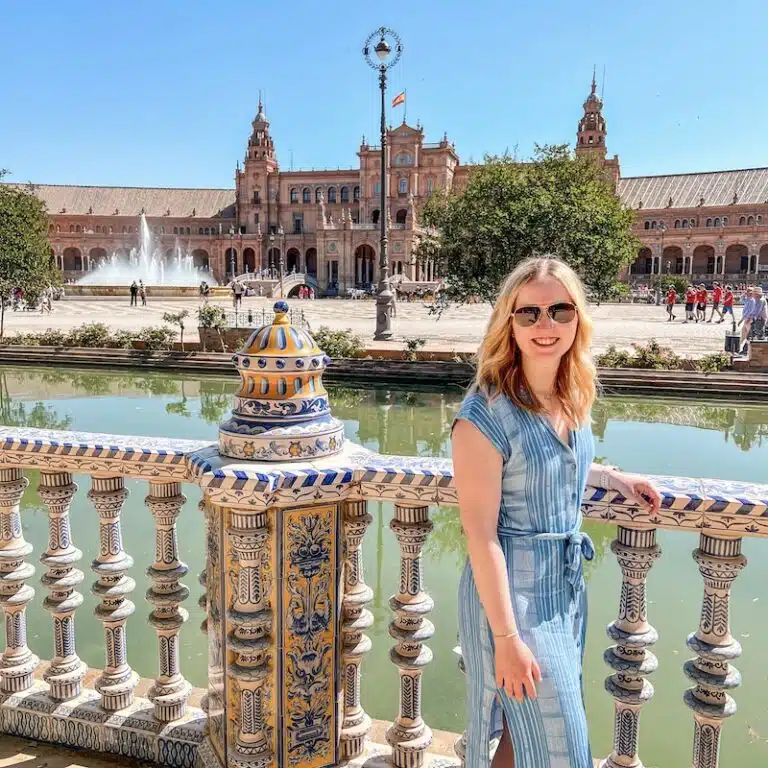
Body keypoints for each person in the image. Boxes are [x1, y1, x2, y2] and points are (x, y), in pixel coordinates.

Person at [452, 256, 661, 768]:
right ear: (509, 322)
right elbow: (481, 536)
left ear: (577, 318)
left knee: (522, 736)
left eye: (559, 310)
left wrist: (612, 478)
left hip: (564, 591)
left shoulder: (570, 396)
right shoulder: (483, 415)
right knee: (564, 745)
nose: (545, 325)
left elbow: (550, 463)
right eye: (529, 314)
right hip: (513, 602)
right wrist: (506, 639)